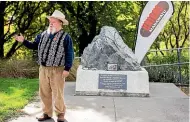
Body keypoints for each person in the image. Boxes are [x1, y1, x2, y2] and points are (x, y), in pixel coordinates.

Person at [14, 10, 74, 122]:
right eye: (50, 22)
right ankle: (46, 113)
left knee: (58, 93)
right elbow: (33, 46)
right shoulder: (42, 35)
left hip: (58, 69)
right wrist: (24, 41)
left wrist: (67, 68)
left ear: (60, 23)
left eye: (54, 22)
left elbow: (70, 53)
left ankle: (60, 115)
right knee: (44, 92)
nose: (51, 23)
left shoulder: (66, 37)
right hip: (43, 69)